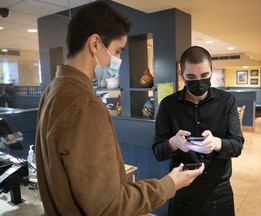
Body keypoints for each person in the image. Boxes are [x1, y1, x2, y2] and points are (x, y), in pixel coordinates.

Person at [35, 2, 204, 216]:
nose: (119, 60)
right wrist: (169, 184)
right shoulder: (85, 104)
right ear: (95, 43)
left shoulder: (53, 91)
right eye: (117, 51)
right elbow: (109, 206)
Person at [152, 46, 245, 216]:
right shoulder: (168, 105)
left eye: (204, 76)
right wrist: (173, 143)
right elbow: (158, 152)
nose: (198, 82)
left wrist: (217, 143)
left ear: (212, 70)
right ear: (181, 74)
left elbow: (237, 145)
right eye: (191, 77)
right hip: (181, 191)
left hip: (218, 192)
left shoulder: (227, 101)